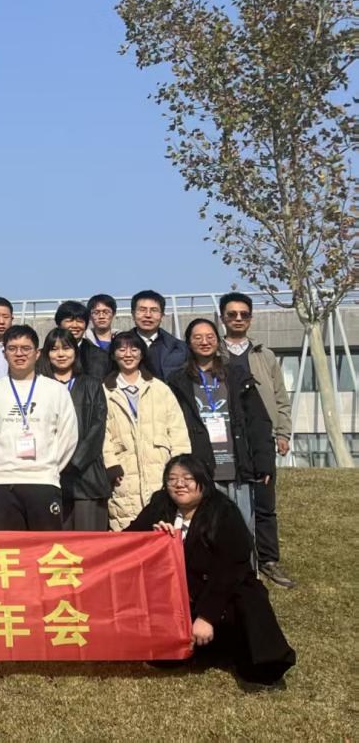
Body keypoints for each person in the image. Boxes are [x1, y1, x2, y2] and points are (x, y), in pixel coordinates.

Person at [127, 455, 296, 686]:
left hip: (221, 594)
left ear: (203, 482)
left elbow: (231, 569)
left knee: (249, 596)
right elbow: (127, 540)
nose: (179, 484)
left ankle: (257, 661)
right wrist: (152, 539)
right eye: (172, 479)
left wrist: (207, 616)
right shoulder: (160, 505)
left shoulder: (223, 511)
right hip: (176, 595)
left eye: (188, 478)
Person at [167, 318, 274, 540]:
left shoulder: (237, 376)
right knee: (204, 534)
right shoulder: (177, 381)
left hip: (237, 469)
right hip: (200, 469)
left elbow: (258, 422)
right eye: (197, 337)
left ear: (218, 341)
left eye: (210, 337)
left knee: (241, 534)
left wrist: (264, 463)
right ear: (188, 342)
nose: (204, 342)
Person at [219, 292, 296, 588]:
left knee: (264, 501)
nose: (238, 319)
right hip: (226, 437)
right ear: (222, 318)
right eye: (232, 314)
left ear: (251, 319)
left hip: (261, 436)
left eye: (244, 314)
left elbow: (280, 397)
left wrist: (282, 432)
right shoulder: (214, 352)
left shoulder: (265, 355)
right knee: (229, 500)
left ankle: (268, 559)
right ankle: (233, 558)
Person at [0, 325, 78, 531]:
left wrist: (50, 467)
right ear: (4, 353)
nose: (19, 354)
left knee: (45, 546)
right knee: (7, 548)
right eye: (12, 348)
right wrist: (0, 463)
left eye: (26, 348)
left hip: (44, 481)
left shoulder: (55, 390)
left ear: (37, 353)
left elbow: (68, 435)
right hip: (1, 482)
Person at [103, 331, 190, 531]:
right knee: (127, 530)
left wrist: (181, 466)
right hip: (123, 472)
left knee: (163, 528)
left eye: (134, 349)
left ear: (142, 353)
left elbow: (177, 430)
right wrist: (110, 464)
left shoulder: (160, 389)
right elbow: (102, 434)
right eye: (121, 349)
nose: (128, 354)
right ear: (113, 354)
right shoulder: (104, 391)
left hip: (160, 468)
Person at [35, 328, 109, 531]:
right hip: (49, 474)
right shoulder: (39, 387)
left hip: (86, 476)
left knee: (88, 541)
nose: (60, 354)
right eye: (54, 349)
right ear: (46, 353)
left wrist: (73, 461)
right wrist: (54, 461)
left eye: (66, 348)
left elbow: (97, 428)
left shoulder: (91, 384)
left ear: (75, 352)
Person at [131, 289, 187, 379]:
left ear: (162, 316)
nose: (148, 315)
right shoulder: (118, 346)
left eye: (154, 310)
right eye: (142, 310)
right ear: (133, 314)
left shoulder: (179, 348)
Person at [54, 300, 111, 381]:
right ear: (59, 324)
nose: (75, 325)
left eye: (80, 321)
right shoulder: (45, 355)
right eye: (69, 321)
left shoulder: (100, 356)